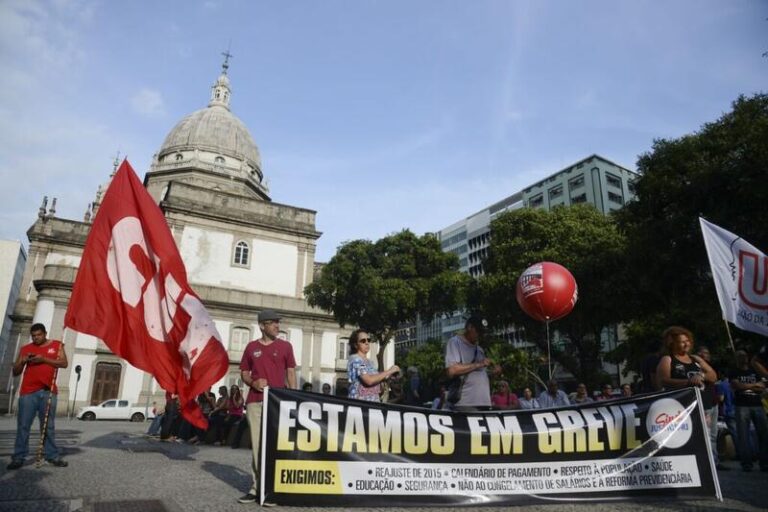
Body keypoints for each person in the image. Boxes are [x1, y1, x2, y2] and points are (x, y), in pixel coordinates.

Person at [238, 310, 297, 504]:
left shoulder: (286, 346)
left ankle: (270, 489)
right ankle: (256, 488)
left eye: (278, 323)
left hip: (277, 403)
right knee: (257, 446)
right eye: (273, 323)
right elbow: (244, 373)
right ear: (262, 325)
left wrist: (293, 398)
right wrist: (253, 383)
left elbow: (290, 374)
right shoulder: (251, 347)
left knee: (274, 446)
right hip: (255, 402)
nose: (277, 326)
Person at [7, 323, 68, 470]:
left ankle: (52, 455)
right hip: (28, 392)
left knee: (48, 426)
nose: (36, 338)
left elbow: (64, 363)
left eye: (39, 335)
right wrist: (21, 361)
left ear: (45, 333)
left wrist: (44, 359)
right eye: (33, 336)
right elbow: (15, 372)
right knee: (23, 426)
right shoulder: (25, 349)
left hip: (48, 391)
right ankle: (19, 457)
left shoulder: (57, 345)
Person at [444, 316, 499, 411]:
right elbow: (452, 370)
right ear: (469, 327)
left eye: (483, 332)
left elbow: (479, 375)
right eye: (479, 331)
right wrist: (479, 364)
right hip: (465, 403)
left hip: (484, 403)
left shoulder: (479, 349)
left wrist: (493, 374)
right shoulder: (455, 342)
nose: (481, 335)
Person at [729, 350, 768, 472]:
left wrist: (746, 386)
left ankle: (765, 463)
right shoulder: (734, 371)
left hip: (758, 405)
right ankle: (746, 463)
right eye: (740, 355)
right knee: (743, 435)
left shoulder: (755, 371)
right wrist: (754, 386)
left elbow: (763, 387)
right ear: (736, 358)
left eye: (745, 355)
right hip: (741, 406)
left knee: (764, 434)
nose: (743, 357)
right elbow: (736, 386)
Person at [347, 329, 400, 402]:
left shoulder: (370, 362)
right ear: (356, 345)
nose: (367, 343)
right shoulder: (356, 359)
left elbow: (376, 381)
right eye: (363, 341)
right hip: (359, 406)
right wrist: (389, 371)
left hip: (373, 405)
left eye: (368, 340)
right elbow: (369, 380)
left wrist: (389, 377)